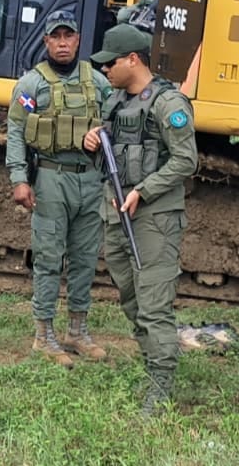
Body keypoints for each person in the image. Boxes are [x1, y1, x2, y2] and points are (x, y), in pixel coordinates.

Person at [78, 23, 197, 415]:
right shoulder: (114, 102)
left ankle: (161, 385)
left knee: (153, 303)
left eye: (110, 63)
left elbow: (185, 161)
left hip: (154, 219)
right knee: (130, 297)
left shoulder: (168, 104)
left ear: (133, 59)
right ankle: (152, 363)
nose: (104, 70)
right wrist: (92, 142)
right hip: (115, 213)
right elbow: (112, 152)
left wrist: (144, 190)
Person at [6, 9, 114, 367]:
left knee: (85, 259)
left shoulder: (97, 81)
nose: (63, 42)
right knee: (50, 257)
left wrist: (103, 134)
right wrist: (19, 179)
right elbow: (17, 133)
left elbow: (117, 120)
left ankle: (78, 331)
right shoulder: (30, 85)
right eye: (56, 36)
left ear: (78, 40)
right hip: (51, 178)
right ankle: (44, 334)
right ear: (46, 40)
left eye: (69, 36)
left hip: (90, 178)